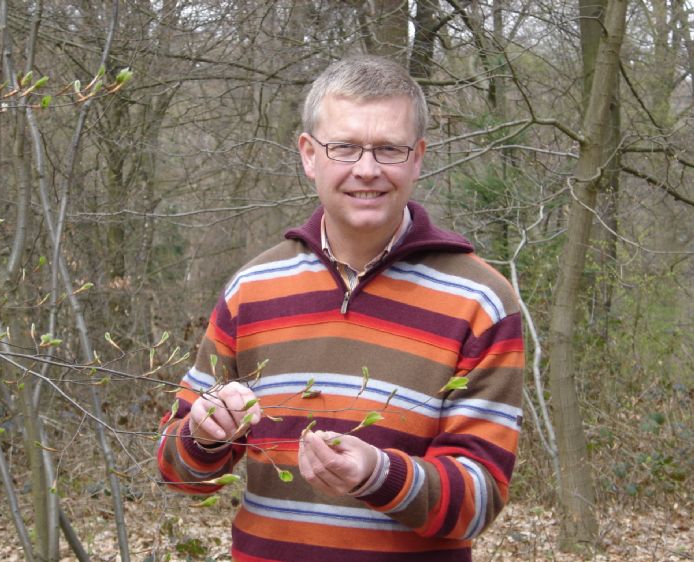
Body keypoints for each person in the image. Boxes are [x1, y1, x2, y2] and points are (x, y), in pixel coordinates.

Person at [157, 55, 524, 562]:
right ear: (309, 155)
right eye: (344, 147)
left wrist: (379, 475)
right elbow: (177, 473)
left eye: (389, 149)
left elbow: (479, 499)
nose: (366, 170)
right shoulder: (253, 288)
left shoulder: (481, 301)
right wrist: (203, 435)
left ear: (417, 158)